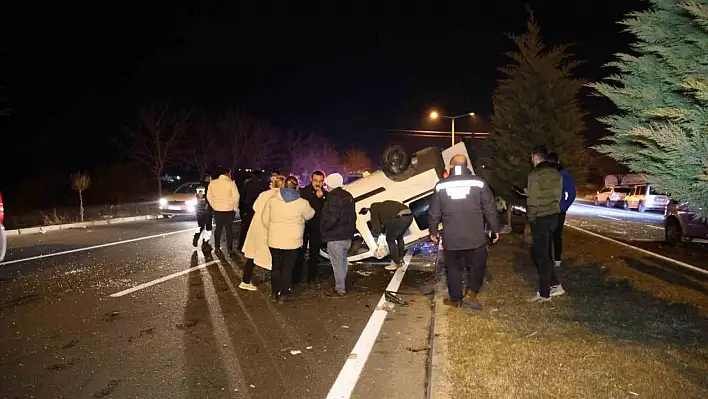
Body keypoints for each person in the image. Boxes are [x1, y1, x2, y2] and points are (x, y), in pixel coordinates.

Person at [428, 154, 500, 310]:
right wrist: (495, 229)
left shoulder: (441, 186)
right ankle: (470, 294)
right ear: (466, 165)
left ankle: (456, 299)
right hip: (475, 237)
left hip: (452, 238)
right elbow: (490, 208)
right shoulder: (479, 183)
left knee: (453, 268)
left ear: (451, 167)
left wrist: (433, 230)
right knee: (477, 265)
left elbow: (434, 212)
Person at [262, 175, 315, 304]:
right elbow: (310, 215)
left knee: (276, 266)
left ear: (284, 185)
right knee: (287, 268)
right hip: (293, 241)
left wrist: (273, 229)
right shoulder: (302, 203)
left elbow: (264, 219)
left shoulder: (272, 200)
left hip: (275, 240)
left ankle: (274, 292)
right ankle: (284, 293)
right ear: (297, 186)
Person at [526, 146, 566, 303]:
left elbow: (533, 201)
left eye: (531, 158)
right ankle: (555, 285)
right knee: (545, 253)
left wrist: (531, 217)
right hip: (553, 217)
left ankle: (544, 293)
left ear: (536, 157)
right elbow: (555, 195)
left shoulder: (535, 174)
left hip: (540, 218)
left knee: (541, 255)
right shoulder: (556, 173)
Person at [239, 175, 285, 291]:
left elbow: (255, 207)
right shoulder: (280, 197)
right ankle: (279, 286)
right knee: (276, 257)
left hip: (256, 226)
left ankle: (245, 280)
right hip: (268, 228)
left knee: (253, 255)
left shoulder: (264, 194)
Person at [319, 173, 356, 297]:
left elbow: (331, 218)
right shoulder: (348, 195)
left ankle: (340, 289)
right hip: (347, 235)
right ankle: (341, 285)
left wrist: (323, 229)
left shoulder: (333, 197)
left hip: (335, 236)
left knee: (337, 264)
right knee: (343, 262)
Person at [294, 170, 328, 287]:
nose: (317, 183)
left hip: (317, 228)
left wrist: (321, 198)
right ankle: (296, 278)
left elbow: (326, 210)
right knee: (300, 252)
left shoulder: (325, 194)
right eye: (315, 180)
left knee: (314, 254)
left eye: (320, 181)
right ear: (311, 180)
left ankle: (311, 278)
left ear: (323, 181)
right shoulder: (303, 192)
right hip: (303, 226)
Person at [547, 152, 576, 268]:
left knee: (547, 235)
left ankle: (548, 259)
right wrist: (565, 206)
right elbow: (572, 193)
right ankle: (557, 259)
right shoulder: (564, 174)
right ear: (558, 161)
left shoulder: (546, 175)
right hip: (559, 210)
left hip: (548, 209)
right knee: (557, 235)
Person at [368, 200, 413, 271]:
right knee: (399, 237)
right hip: (409, 215)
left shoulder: (374, 210)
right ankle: (400, 259)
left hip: (399, 218)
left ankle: (397, 263)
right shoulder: (384, 205)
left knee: (390, 240)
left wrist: (376, 233)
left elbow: (376, 229)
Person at [207, 168, 240, 255]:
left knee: (218, 229)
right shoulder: (231, 183)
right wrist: (235, 207)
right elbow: (236, 196)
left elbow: (209, 196)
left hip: (217, 210)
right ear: (227, 174)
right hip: (229, 210)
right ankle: (229, 248)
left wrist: (213, 205)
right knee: (229, 229)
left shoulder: (213, 183)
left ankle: (217, 247)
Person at [238, 170, 270, 252]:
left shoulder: (249, 183)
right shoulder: (265, 184)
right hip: (261, 208)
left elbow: (243, 195)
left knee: (246, 227)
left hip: (249, 207)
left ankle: (241, 245)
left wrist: (242, 207)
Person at [192, 186, 213, 250]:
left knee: (203, 227)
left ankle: (201, 240)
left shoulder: (196, 197)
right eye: (199, 192)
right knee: (206, 228)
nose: (200, 194)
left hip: (204, 214)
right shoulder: (207, 196)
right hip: (206, 214)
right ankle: (203, 241)